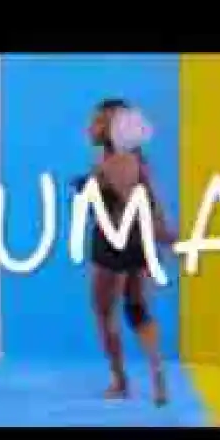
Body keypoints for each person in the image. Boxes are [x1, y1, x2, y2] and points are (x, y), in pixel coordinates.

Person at [73, 98, 175, 406]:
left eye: (97, 122)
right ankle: (158, 379)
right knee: (137, 310)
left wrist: (165, 236)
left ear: (110, 127)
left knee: (105, 313)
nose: (90, 127)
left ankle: (120, 381)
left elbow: (135, 205)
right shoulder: (134, 159)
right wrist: (160, 235)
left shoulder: (116, 162)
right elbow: (151, 202)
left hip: (114, 243)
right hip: (137, 243)